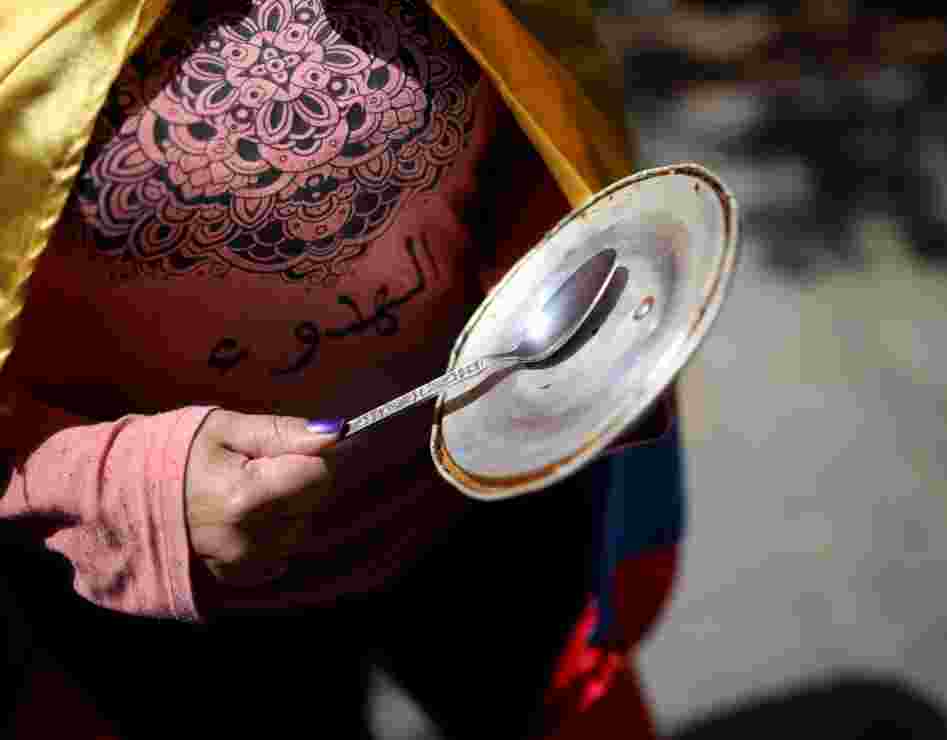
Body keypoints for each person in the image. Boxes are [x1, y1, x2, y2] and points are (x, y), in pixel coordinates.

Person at [0, 1, 685, 737]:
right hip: (181, 617)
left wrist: (557, 302)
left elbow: (532, 110)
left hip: (488, 511)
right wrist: (134, 486)